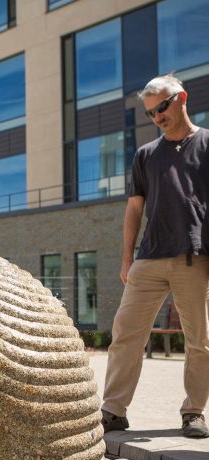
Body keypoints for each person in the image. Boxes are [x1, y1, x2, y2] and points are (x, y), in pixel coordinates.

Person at [101, 74, 209, 439]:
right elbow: (134, 210)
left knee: (199, 340)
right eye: (150, 113)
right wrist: (126, 259)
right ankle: (113, 410)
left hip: (194, 256)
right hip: (148, 259)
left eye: (162, 107)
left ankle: (193, 412)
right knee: (126, 332)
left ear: (182, 98)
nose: (157, 116)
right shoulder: (145, 155)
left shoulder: (207, 144)